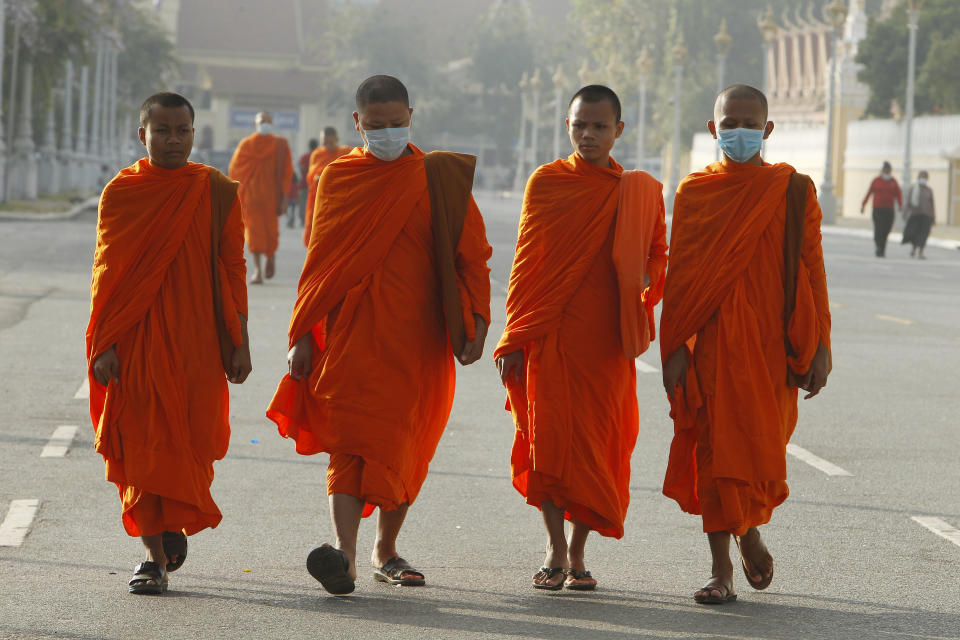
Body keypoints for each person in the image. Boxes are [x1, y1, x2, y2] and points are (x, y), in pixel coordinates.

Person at [266, 75, 492, 595]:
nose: (386, 132)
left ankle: (385, 549)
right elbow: (320, 262)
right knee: (348, 441)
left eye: (395, 123)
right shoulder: (339, 178)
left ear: (411, 115)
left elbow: (471, 256)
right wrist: (302, 334)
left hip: (420, 337)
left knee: (405, 442)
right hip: (352, 334)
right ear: (357, 123)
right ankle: (343, 554)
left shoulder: (440, 178)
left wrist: (475, 321)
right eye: (376, 125)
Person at [660, 85, 831, 605]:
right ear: (713, 130)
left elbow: (813, 270)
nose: (739, 131)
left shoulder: (793, 190)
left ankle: (749, 532)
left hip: (771, 349)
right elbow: (681, 278)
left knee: (757, 450)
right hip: (711, 347)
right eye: (729, 122)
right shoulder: (694, 193)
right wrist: (672, 349)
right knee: (714, 453)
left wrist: (821, 344)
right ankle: (720, 571)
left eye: (749, 123)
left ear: (767, 130)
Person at [495, 85, 668, 592]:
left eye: (598, 126)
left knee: (598, 445)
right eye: (579, 126)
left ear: (619, 129)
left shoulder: (638, 191)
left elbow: (660, 254)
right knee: (548, 439)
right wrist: (513, 337)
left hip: (606, 342)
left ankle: (579, 550)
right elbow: (525, 264)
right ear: (567, 127)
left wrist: (641, 277)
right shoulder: (547, 183)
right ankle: (553, 546)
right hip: (550, 334)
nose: (588, 135)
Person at [86, 91, 252, 595]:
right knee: (140, 441)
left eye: (182, 131)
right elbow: (107, 274)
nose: (173, 139)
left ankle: (170, 519)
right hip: (137, 342)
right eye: (162, 131)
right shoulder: (122, 192)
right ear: (143, 135)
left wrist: (239, 338)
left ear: (194, 135)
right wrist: (105, 343)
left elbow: (232, 267)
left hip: (199, 340)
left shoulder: (216, 190)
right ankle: (151, 558)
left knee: (190, 439)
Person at [228, 111, 294, 283]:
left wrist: (285, 196)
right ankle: (257, 270)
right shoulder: (246, 145)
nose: (264, 123)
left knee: (271, 233)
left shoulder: (280, 145)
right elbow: (235, 170)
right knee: (254, 233)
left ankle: (271, 256)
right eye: (261, 121)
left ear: (272, 124)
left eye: (267, 121)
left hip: (272, 198)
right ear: (255, 124)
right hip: (251, 198)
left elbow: (287, 172)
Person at [303, 127, 353, 246]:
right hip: (318, 199)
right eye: (325, 143)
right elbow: (310, 176)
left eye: (331, 142)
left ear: (337, 139)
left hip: (339, 201)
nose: (328, 145)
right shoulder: (316, 154)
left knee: (336, 236)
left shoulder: (346, 152)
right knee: (313, 234)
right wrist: (316, 178)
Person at [861, 161, 902, 258]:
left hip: (889, 210)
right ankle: (878, 247)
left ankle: (882, 249)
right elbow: (869, 193)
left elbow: (898, 194)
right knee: (878, 229)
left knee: (886, 230)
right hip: (878, 209)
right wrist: (863, 204)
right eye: (886, 170)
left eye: (889, 171)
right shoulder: (876, 181)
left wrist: (900, 204)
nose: (887, 172)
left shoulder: (893, 182)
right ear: (882, 170)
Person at [901, 170, 935, 259]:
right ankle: (913, 249)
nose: (923, 179)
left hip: (926, 216)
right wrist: (905, 213)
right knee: (914, 233)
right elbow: (908, 202)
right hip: (915, 215)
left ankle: (921, 252)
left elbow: (932, 204)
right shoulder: (914, 189)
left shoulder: (929, 190)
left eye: (925, 177)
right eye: (922, 177)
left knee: (924, 234)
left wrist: (933, 217)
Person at [293, 138, 319, 229]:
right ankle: (313, 221)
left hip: (304, 184)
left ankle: (303, 220)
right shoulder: (319, 156)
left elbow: (301, 168)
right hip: (316, 185)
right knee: (315, 204)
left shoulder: (304, 157)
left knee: (303, 203)